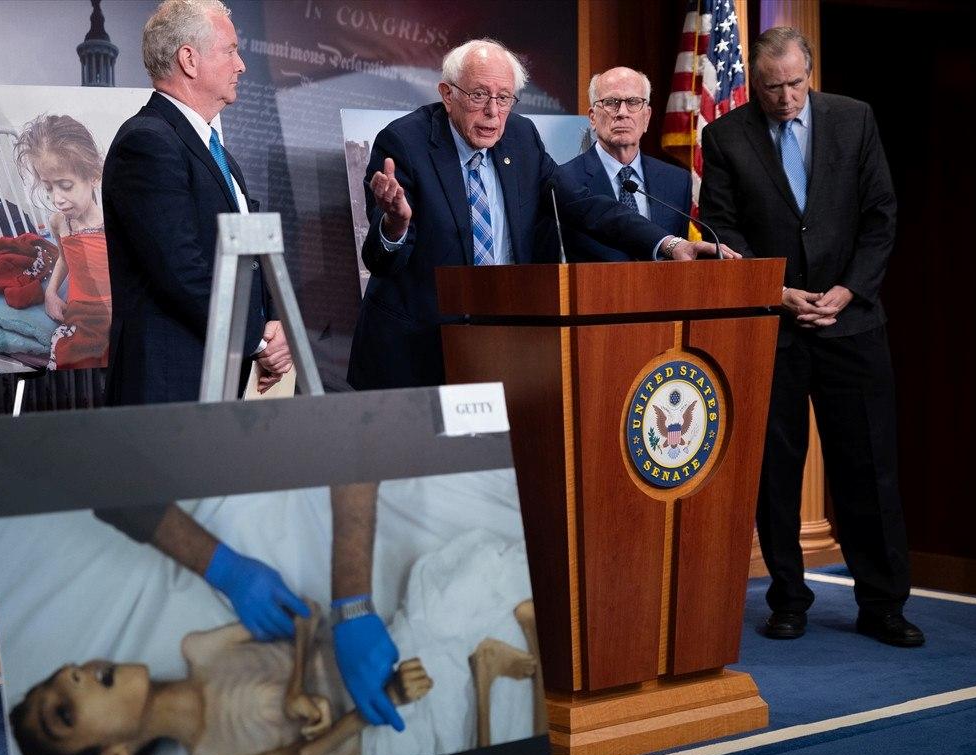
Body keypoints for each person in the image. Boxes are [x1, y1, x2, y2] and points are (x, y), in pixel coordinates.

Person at [699, 27, 922, 647]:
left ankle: (883, 605)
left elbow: (881, 216)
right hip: (775, 328)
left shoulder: (854, 119)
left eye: (795, 84)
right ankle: (788, 600)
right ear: (756, 83)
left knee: (869, 467)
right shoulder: (725, 135)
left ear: (810, 74)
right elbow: (720, 228)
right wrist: (774, 291)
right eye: (772, 88)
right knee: (775, 473)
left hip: (852, 322)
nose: (786, 98)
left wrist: (850, 289)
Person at [347, 38, 735, 391]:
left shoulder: (521, 138)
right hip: (418, 350)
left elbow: (585, 205)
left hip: (500, 344)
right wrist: (395, 225)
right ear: (447, 94)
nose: (493, 111)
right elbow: (381, 262)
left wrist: (668, 243)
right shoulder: (405, 143)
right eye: (479, 95)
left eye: (504, 97)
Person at [7, 602, 433, 755]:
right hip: (369, 726)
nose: (72, 674)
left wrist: (295, 688)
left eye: (63, 672)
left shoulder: (201, 649)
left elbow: (304, 613)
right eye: (63, 713)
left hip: (369, 651)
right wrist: (385, 699)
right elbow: (309, 754)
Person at [95, 482, 410, 733]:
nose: (74, 672)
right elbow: (98, 469)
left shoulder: (197, 651)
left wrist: (352, 602)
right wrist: (222, 568)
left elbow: (355, 428)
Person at [102, 0, 291, 403]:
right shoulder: (147, 142)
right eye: (230, 51)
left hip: (220, 380)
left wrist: (273, 321)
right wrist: (258, 340)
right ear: (189, 59)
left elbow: (249, 255)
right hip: (172, 387)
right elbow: (181, 270)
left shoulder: (213, 150)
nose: (241, 65)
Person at [556, 67, 691, 262]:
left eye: (633, 102)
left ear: (647, 117)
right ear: (592, 118)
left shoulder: (677, 181)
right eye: (611, 102)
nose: (622, 113)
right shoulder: (565, 181)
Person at [13, 114, 111, 370]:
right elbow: (64, 259)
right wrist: (51, 293)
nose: (57, 199)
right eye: (48, 188)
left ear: (93, 176)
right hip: (80, 311)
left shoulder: (114, 223)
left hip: (111, 308)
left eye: (65, 185)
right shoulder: (59, 222)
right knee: (71, 354)